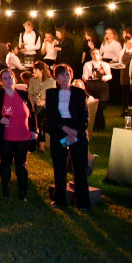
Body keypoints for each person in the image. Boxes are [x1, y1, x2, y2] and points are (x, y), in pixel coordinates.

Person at [45, 64, 90, 210]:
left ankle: (82, 202)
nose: (65, 77)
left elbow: (84, 116)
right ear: (56, 78)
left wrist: (75, 132)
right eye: (62, 75)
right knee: (59, 167)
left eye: (67, 74)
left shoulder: (79, 93)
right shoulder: (51, 94)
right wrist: (64, 129)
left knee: (80, 167)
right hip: (60, 132)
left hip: (77, 133)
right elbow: (50, 117)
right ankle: (60, 200)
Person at [0, 69, 37, 200]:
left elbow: (32, 114)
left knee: (21, 164)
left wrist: (34, 130)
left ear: (14, 79)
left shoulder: (23, 94)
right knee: (6, 163)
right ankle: (6, 189)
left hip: (23, 135)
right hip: (6, 136)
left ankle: (22, 191)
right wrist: (0, 119)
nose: (8, 80)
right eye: (5, 78)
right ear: (1, 82)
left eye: (10, 77)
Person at [27, 62, 55, 152]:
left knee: (42, 121)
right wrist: (34, 102)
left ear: (41, 70)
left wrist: (44, 102)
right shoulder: (32, 80)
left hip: (47, 107)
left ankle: (42, 144)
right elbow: (30, 94)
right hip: (35, 106)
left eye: (35, 69)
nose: (33, 71)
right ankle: (40, 145)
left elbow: (53, 97)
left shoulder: (51, 81)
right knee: (39, 120)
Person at [82, 48, 112, 130]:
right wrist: (85, 77)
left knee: (100, 107)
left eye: (97, 54)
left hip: (102, 87)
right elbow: (84, 75)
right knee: (92, 106)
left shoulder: (105, 65)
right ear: (91, 55)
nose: (95, 55)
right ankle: (94, 125)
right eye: (93, 54)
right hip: (91, 86)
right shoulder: (87, 64)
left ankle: (100, 125)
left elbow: (110, 75)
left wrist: (105, 77)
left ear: (99, 55)